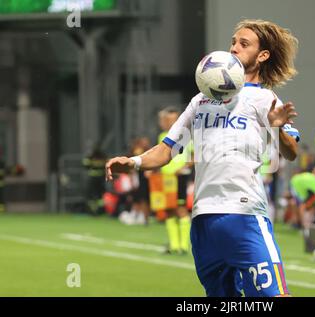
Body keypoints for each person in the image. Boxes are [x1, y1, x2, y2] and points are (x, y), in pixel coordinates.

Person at [106, 19, 300, 297]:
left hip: (243, 215)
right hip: (203, 219)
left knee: (274, 297)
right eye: (233, 42)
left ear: (263, 55)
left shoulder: (264, 100)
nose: (234, 48)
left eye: (244, 44)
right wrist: (133, 162)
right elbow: (166, 149)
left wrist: (277, 127)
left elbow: (291, 152)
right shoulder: (200, 101)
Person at [157, 107, 194, 254]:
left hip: (179, 177)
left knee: (181, 209)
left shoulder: (185, 136)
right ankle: (174, 245)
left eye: (173, 119)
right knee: (169, 210)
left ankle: (184, 245)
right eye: (168, 119)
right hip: (166, 178)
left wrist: (184, 167)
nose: (170, 122)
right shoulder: (162, 136)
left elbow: (194, 156)